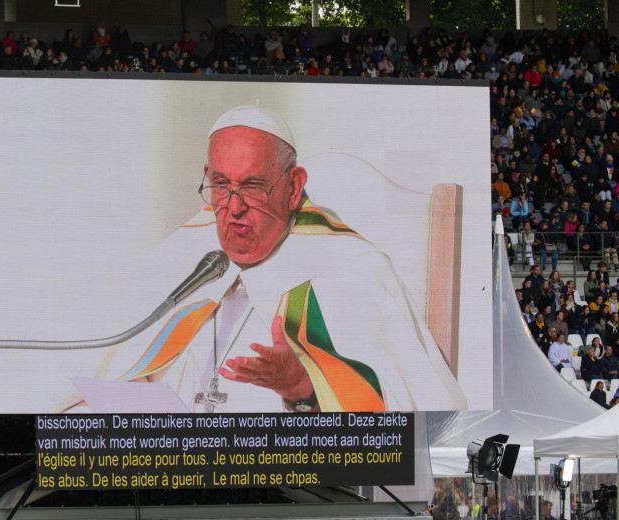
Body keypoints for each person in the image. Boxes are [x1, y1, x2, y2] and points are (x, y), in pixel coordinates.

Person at [62, 105, 466, 413]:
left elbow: (418, 416)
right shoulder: (183, 255)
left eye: (253, 187)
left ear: (294, 188)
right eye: (221, 185)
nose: (233, 208)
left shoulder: (353, 269)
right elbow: (119, 375)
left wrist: (304, 388)